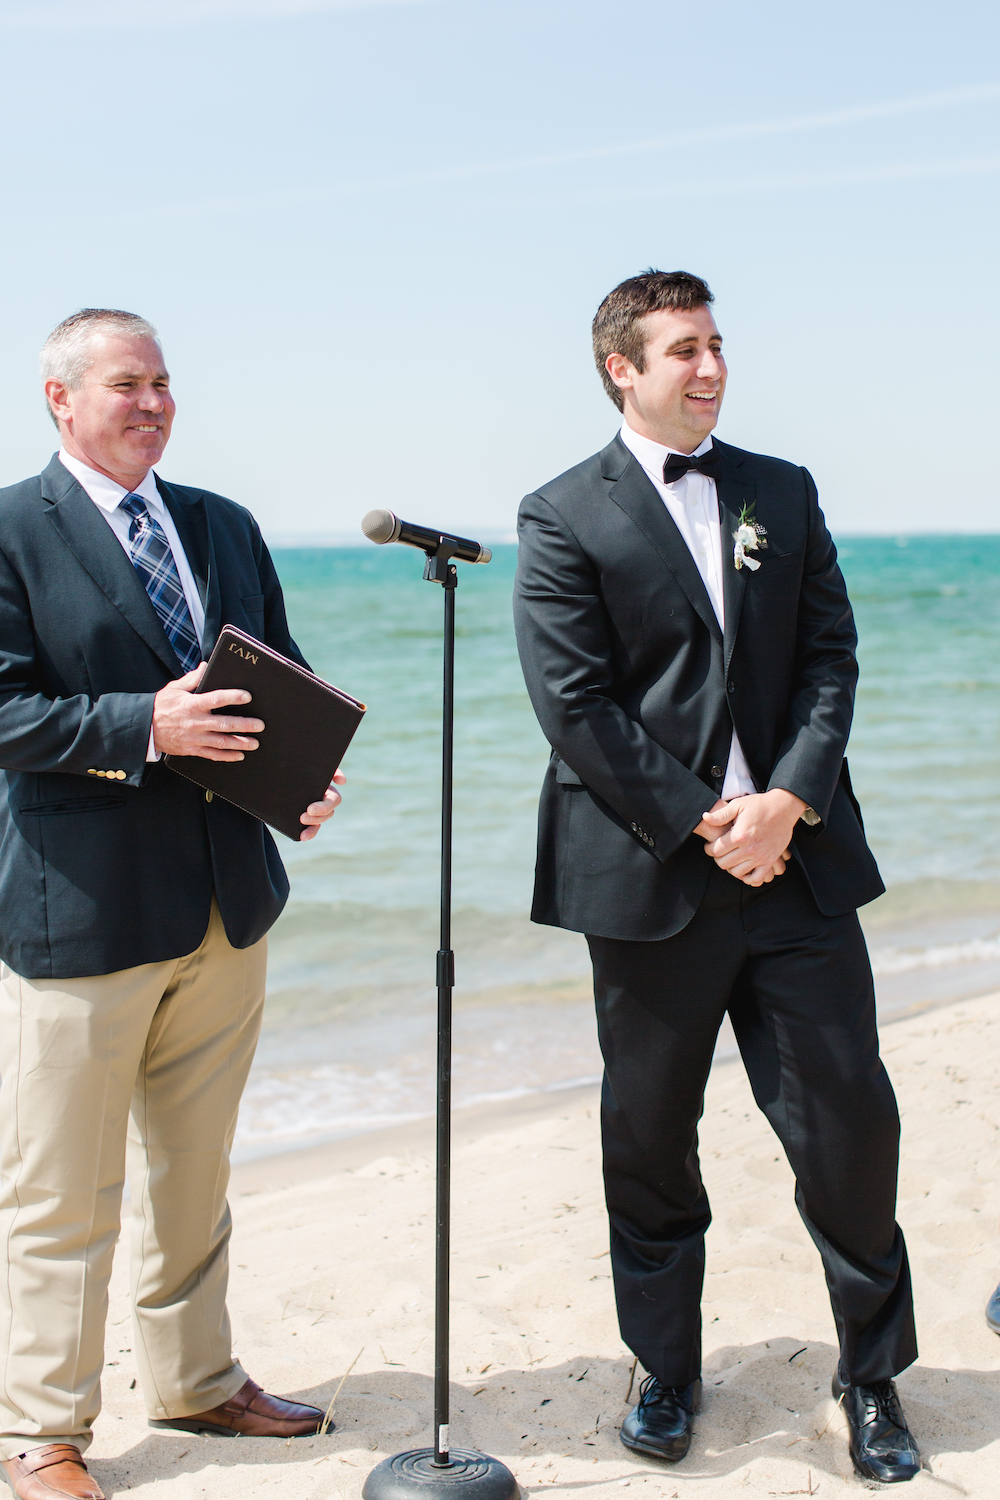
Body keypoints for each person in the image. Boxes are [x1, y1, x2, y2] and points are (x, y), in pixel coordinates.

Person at [512, 272, 920, 1485]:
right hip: (650, 881)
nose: (709, 367)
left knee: (849, 1124)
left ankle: (872, 1376)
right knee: (647, 1138)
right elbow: (573, 707)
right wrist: (708, 821)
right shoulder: (556, 514)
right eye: (681, 349)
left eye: (715, 345)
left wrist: (786, 801)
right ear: (619, 370)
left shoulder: (778, 489)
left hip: (796, 868)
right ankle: (665, 1371)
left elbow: (832, 656)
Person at [0, 309, 344, 1500]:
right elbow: (3, 714)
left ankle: (199, 1381)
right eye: (126, 384)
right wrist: (142, 725)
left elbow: (274, 678)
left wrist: (299, 782)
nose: (153, 402)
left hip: (226, 904)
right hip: (80, 913)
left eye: (163, 383)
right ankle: (42, 1427)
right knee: (60, 1188)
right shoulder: (6, 529)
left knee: (195, 1172)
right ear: (60, 398)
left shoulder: (221, 524)